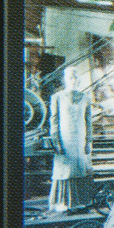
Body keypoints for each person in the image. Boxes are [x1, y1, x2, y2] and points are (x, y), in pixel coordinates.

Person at [48, 65, 95, 211]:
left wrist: (89, 141)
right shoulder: (57, 97)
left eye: (75, 77)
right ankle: (63, 203)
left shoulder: (85, 98)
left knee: (81, 168)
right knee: (65, 170)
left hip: (80, 139)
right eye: (70, 78)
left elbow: (88, 121)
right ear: (65, 79)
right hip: (65, 139)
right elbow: (54, 121)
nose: (73, 80)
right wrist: (56, 142)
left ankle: (82, 201)